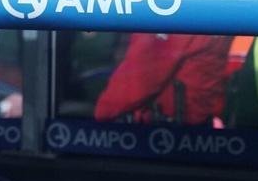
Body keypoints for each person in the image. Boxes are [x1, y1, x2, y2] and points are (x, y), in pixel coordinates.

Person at [93, 33, 232, 125]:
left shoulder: (173, 4)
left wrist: (97, 116)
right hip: (197, 132)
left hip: (165, 134)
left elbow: (139, 82)